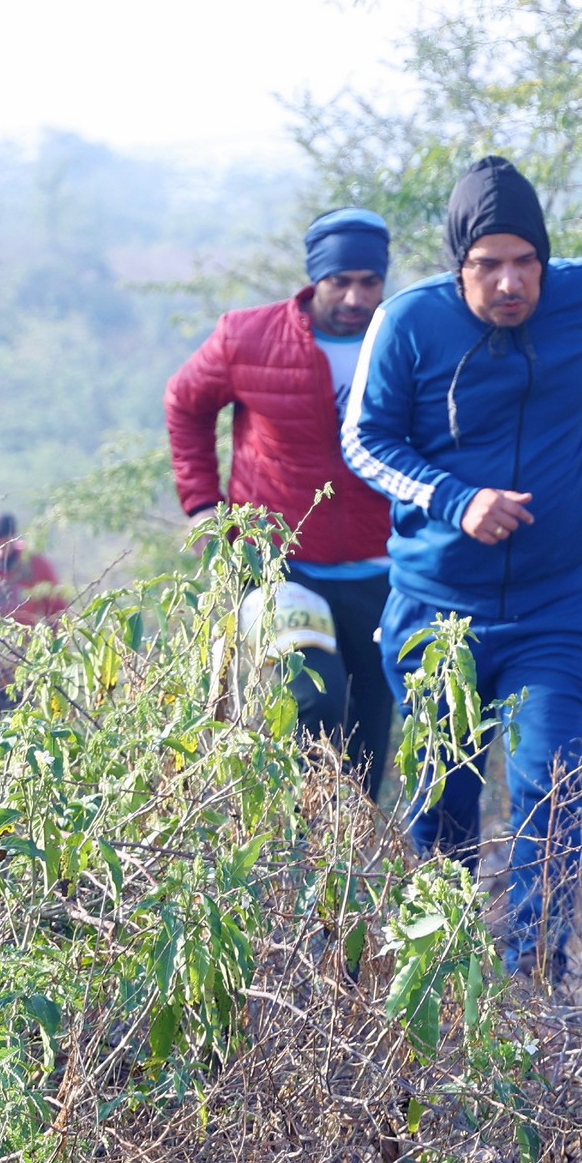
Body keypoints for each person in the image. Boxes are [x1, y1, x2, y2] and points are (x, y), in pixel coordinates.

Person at [341, 158, 582, 980]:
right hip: (439, 611)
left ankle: (533, 975)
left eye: (525, 262)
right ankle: (448, 976)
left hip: (555, 608)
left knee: (550, 782)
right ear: (456, 263)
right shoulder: (408, 322)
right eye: (486, 264)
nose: (509, 283)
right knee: (444, 803)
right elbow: (362, 439)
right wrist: (454, 498)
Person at [166, 208, 397, 790]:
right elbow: (186, 403)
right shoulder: (247, 337)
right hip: (280, 563)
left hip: (383, 565)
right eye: (339, 281)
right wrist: (202, 505)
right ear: (315, 278)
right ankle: (301, 833)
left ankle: (350, 840)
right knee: (313, 701)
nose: (355, 297)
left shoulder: (404, 335)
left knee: (370, 723)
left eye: (369, 282)